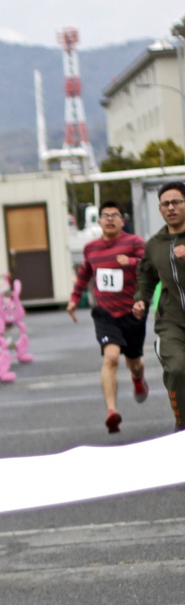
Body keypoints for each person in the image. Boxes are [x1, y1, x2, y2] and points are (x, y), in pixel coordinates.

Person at [67, 200, 147, 433]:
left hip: (132, 312)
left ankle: (137, 377)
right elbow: (85, 272)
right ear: (99, 221)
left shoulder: (134, 243)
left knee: (134, 362)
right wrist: (74, 298)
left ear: (122, 221)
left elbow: (150, 266)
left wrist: (130, 261)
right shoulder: (91, 248)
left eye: (114, 215)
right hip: (105, 313)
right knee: (111, 357)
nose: (109, 219)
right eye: (105, 215)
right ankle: (112, 411)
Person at [133, 181, 185, 430]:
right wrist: (140, 299)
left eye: (176, 202)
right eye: (165, 204)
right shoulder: (154, 245)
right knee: (176, 370)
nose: (170, 208)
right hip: (171, 320)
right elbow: (146, 276)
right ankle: (181, 424)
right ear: (160, 209)